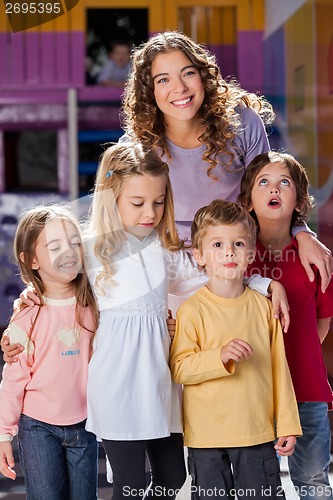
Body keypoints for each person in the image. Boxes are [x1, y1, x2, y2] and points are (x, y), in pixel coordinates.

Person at [1, 143, 289, 499]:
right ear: (112, 198)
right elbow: (53, 286)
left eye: (159, 201)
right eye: (137, 203)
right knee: (130, 484)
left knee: (172, 479)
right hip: (117, 386)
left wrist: (265, 282)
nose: (150, 212)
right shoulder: (89, 251)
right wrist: (27, 299)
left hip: (160, 382)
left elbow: (213, 270)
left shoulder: (163, 251)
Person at [119, 30, 332, 291]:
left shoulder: (241, 123)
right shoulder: (136, 146)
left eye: (188, 73)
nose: (180, 88)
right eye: (163, 80)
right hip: (169, 260)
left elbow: (271, 191)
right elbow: (124, 220)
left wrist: (303, 233)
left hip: (236, 252)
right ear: (149, 91)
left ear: (203, 76)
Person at [169, 199, 302, 499]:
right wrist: (220, 356)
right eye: (217, 244)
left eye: (238, 243)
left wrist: (288, 425)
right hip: (206, 439)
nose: (229, 251)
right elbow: (180, 368)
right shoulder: (192, 311)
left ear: (251, 254)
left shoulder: (264, 308)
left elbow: (280, 369)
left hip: (257, 433)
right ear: (199, 256)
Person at [238, 151, 333, 500]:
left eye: (284, 183)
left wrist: (299, 355)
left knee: (314, 482)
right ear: (248, 201)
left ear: (299, 201)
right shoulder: (239, 256)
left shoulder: (314, 257)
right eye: (263, 182)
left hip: (307, 390)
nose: (273, 189)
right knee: (258, 487)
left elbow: (322, 320)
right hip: (255, 390)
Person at [0, 205, 99, 499]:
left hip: (85, 423)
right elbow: (13, 378)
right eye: (54, 246)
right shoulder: (26, 314)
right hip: (38, 427)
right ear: (30, 259)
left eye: (74, 243)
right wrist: (4, 434)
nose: (68, 252)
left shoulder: (94, 303)